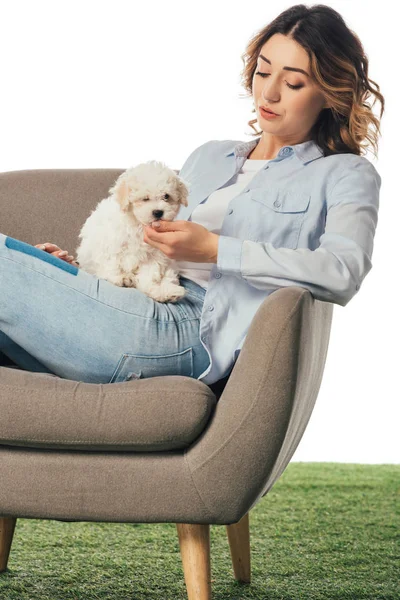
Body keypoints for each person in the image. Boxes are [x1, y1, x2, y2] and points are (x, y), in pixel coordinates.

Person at [0, 4, 384, 385]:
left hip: (189, 328)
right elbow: (145, 245)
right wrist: (70, 275)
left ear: (331, 93)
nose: (268, 92)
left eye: (293, 82)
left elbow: (342, 271)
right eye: (263, 71)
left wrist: (217, 250)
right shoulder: (210, 155)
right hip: (135, 297)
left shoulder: (345, 173)